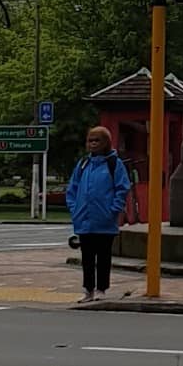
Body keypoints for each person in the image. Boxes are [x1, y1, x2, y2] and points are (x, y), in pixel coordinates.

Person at [66, 126, 130, 304]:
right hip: (84, 219)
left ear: (106, 143)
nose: (93, 144)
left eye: (97, 140)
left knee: (103, 256)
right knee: (87, 257)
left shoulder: (114, 164)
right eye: (90, 140)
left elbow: (122, 188)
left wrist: (113, 210)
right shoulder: (83, 164)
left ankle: (102, 288)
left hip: (105, 219)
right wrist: (74, 208)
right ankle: (88, 289)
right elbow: (72, 188)